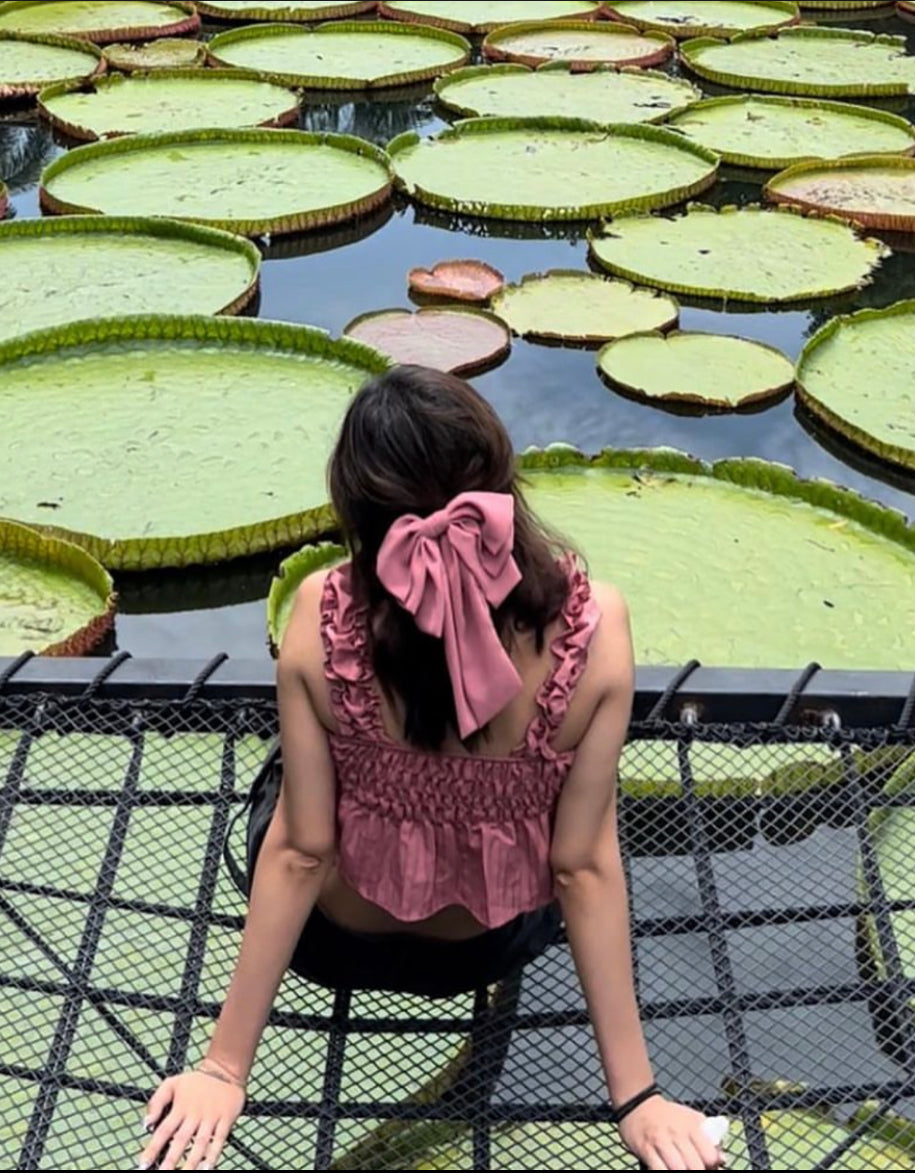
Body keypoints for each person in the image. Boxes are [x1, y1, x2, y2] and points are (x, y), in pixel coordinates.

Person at [138, 366, 725, 1173]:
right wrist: (637, 1096)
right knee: (579, 804)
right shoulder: (599, 629)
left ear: (354, 510)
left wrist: (222, 1068)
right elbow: (581, 866)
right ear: (499, 485)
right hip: (483, 946)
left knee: (298, 769)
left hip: (333, 940)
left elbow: (301, 850)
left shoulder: (318, 610)